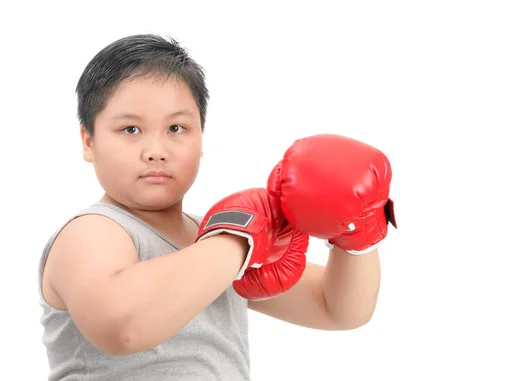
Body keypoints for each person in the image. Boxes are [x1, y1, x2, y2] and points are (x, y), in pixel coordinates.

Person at [37, 34, 396, 381]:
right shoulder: (91, 232)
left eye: (177, 128)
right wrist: (240, 241)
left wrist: (359, 235)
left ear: (201, 138)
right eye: (130, 130)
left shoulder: (213, 235)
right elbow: (122, 326)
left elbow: (335, 308)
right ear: (88, 141)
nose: (156, 150)